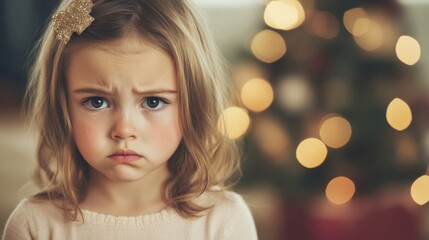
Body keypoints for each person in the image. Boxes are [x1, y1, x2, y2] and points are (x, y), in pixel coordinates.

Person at [2, 0, 258, 239]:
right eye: (96, 102)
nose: (124, 130)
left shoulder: (225, 221)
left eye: (153, 102)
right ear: (61, 106)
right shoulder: (33, 225)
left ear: (194, 103)